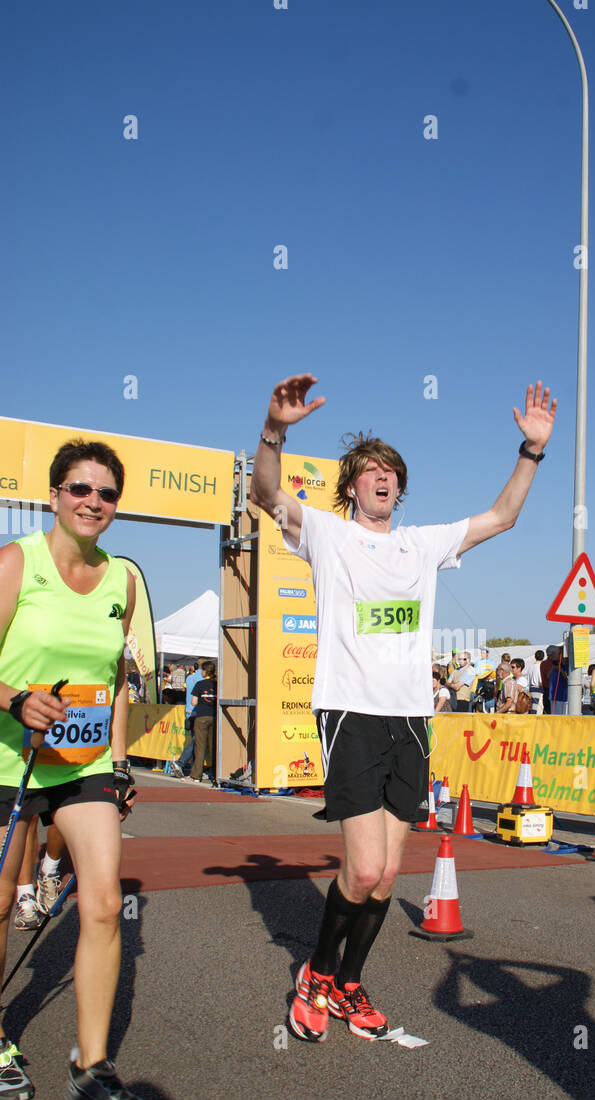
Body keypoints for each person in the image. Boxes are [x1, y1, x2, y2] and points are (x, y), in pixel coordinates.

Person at [250, 372, 557, 1042]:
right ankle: (316, 976)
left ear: (400, 485)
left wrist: (529, 451)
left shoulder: (422, 545)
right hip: (350, 714)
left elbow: (502, 517)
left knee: (387, 875)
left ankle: (349, 985)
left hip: (410, 721)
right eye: (368, 470)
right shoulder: (328, 537)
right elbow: (265, 494)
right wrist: (275, 430)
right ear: (351, 486)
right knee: (361, 867)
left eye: (390, 470)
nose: (381, 477)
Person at [0, 437, 146, 1100]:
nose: (93, 502)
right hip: (9, 759)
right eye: (80, 489)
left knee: (105, 903)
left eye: (106, 493)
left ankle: (91, 1065)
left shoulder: (124, 579)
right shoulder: (17, 563)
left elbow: (116, 679)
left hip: (83, 762)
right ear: (56, 495)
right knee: (0, 902)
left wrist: (118, 761)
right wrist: (14, 700)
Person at [189, 660, 217, 782]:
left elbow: (193, 702)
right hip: (215, 717)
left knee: (200, 746)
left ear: (205, 671)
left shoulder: (200, 684)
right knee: (214, 747)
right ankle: (216, 773)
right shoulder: (217, 684)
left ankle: (196, 775)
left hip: (201, 717)